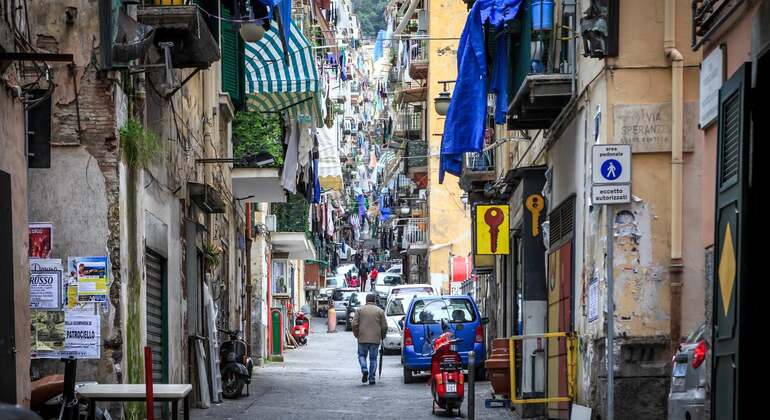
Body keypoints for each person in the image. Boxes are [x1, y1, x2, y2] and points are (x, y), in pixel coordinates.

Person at [351, 293, 387, 385]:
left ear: (366, 300)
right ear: (374, 300)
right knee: (373, 359)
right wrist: (382, 336)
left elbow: (354, 324)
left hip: (362, 337)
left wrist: (357, 334)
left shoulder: (360, 310)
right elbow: (384, 326)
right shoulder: (380, 311)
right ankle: (372, 378)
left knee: (361, 356)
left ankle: (364, 369)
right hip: (375, 339)